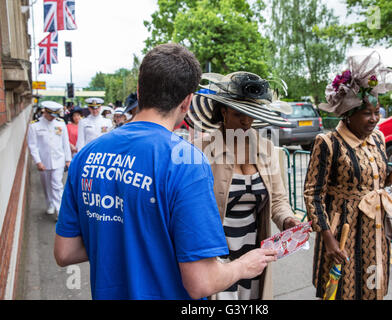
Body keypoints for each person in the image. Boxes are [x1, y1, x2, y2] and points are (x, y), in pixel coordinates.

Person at [54, 43, 277, 300]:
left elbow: (65, 252)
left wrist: (122, 234)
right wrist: (243, 265)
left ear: (139, 91)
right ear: (187, 102)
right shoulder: (186, 162)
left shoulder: (85, 156)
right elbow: (201, 282)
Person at [188, 71, 301, 300]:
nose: (246, 121)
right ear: (223, 111)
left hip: (254, 252)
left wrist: (288, 220)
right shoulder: (199, 150)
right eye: (240, 113)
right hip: (214, 255)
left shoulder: (266, 149)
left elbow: (278, 199)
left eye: (251, 114)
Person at [304, 52, 392, 300]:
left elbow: (372, 178)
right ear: (348, 114)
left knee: (372, 289)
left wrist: (389, 178)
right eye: (367, 114)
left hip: (375, 231)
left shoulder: (379, 138)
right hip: (343, 234)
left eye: (377, 112)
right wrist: (328, 240)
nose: (374, 119)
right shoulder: (328, 143)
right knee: (340, 292)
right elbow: (312, 194)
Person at [27, 101, 71, 216]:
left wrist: (68, 159)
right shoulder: (35, 125)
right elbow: (33, 145)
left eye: (55, 115)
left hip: (59, 160)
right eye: (51, 115)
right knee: (46, 185)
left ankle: (59, 210)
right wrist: (38, 161)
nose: (53, 118)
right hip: (44, 161)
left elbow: (65, 142)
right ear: (45, 112)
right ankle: (50, 204)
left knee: (57, 185)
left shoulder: (61, 124)